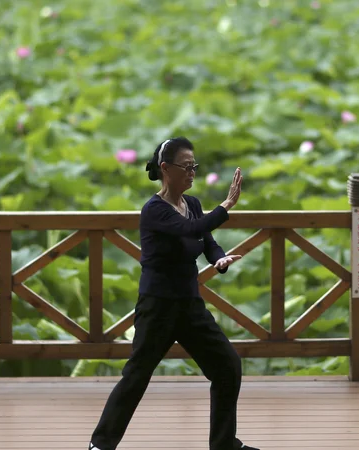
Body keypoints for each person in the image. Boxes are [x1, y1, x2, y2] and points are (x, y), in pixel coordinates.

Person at [89, 137, 259, 450]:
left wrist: (219, 259)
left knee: (227, 366)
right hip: (158, 307)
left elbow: (205, 240)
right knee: (137, 376)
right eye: (186, 167)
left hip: (189, 306)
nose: (192, 172)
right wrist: (227, 205)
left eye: (195, 166)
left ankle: (224, 444)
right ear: (166, 169)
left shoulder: (192, 204)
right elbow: (189, 230)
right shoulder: (154, 210)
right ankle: (100, 444)